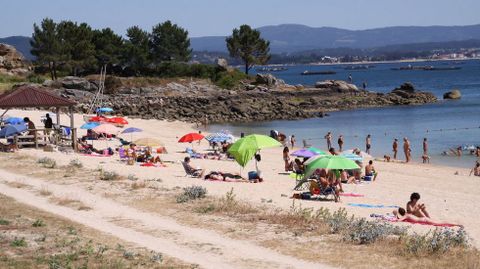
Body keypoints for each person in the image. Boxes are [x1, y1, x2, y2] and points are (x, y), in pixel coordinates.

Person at [393, 207, 462, 227]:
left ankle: (457, 224)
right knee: (440, 222)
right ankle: (456, 223)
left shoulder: (406, 215)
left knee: (441, 223)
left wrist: (395, 214)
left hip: (424, 220)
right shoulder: (407, 214)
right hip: (424, 219)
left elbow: (398, 221)